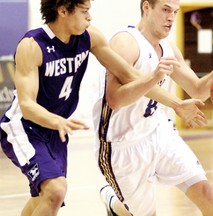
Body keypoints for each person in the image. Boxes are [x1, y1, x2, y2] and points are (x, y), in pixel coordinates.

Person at [0, 0, 183, 216]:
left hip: (56, 130)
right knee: (56, 190)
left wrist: (177, 104)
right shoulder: (32, 45)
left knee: (45, 198)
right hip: (25, 127)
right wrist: (57, 120)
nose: (90, 17)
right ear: (63, 11)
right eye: (84, 12)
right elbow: (27, 106)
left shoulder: (90, 37)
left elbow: (129, 75)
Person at [93, 0, 213, 215]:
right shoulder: (125, 42)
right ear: (146, 7)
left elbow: (198, 90)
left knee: (206, 192)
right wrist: (154, 77)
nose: (171, 18)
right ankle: (113, 203)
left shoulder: (168, 48)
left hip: (159, 132)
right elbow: (114, 99)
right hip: (123, 144)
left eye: (175, 12)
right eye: (165, 10)